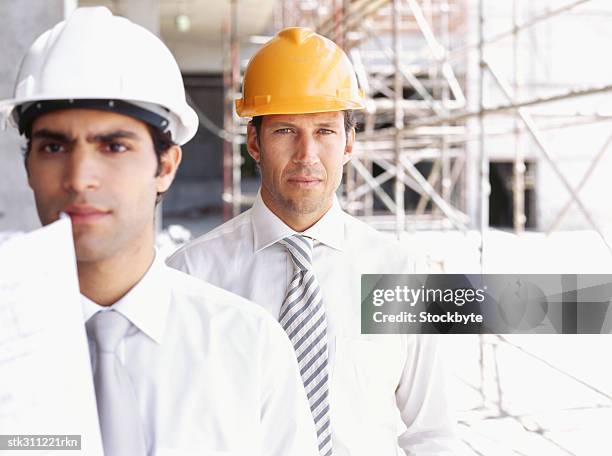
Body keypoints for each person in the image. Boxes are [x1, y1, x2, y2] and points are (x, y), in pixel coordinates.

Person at [0, 8, 319, 456]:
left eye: (113, 146)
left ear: (165, 166)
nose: (79, 177)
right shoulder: (205, 263)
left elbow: (444, 422)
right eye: (54, 146)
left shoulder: (249, 346)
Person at [167, 27, 458, 456]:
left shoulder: (403, 273)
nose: (307, 155)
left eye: (324, 131)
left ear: (349, 143)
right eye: (285, 131)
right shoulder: (191, 277)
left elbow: (434, 435)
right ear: (254, 142)